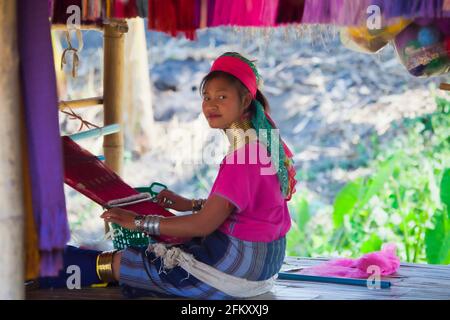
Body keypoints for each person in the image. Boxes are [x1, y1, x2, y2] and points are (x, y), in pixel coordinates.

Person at [39, 52, 297, 299]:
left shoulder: (242, 158)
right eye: (206, 97)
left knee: (129, 262)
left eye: (222, 96)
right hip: (264, 267)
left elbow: (202, 225)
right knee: (171, 248)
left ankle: (39, 265)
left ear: (244, 102)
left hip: (238, 271)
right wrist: (190, 204)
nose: (211, 105)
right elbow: (249, 209)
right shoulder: (265, 144)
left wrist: (138, 221)